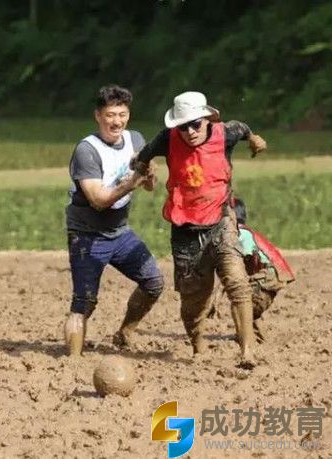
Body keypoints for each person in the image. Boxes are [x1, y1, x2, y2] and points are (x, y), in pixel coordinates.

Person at [130, 91, 268, 366]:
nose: (190, 131)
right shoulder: (166, 139)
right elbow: (142, 159)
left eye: (195, 124)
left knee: (237, 282)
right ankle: (198, 348)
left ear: (207, 119)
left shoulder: (226, 133)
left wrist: (254, 140)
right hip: (185, 230)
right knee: (194, 299)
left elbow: (243, 128)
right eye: (183, 126)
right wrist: (144, 170)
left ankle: (247, 352)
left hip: (221, 219)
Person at [63, 85, 164, 356]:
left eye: (122, 114)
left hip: (119, 232)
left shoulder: (135, 139)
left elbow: (150, 186)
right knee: (84, 302)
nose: (117, 121)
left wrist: (149, 173)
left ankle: (124, 333)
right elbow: (98, 199)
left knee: (154, 282)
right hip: (87, 235)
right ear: (98, 116)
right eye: (110, 115)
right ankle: (71, 364)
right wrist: (131, 182)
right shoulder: (87, 150)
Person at [232, 197, 295, 342]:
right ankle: (255, 335)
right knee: (250, 304)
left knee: (239, 302)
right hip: (275, 274)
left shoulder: (240, 234)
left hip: (269, 274)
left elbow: (238, 260)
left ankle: (244, 338)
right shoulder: (247, 231)